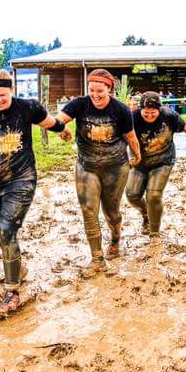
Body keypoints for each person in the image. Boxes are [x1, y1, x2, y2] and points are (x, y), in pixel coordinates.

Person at [0, 70, 70, 316]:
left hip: (22, 178)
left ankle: (11, 291)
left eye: (2, 95)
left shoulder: (27, 107)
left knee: (7, 229)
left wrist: (63, 129)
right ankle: (17, 267)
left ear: (11, 91)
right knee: (3, 235)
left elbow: (50, 122)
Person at [56, 69, 140, 272]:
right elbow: (59, 120)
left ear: (109, 89)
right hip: (87, 166)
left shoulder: (120, 110)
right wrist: (61, 129)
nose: (95, 95)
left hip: (116, 167)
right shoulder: (79, 104)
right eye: (91, 90)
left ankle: (115, 237)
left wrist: (137, 155)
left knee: (111, 212)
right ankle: (97, 258)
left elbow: (130, 136)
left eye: (100, 90)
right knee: (89, 211)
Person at [126, 92, 186, 236]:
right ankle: (146, 214)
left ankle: (154, 232)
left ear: (159, 110)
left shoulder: (169, 116)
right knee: (132, 195)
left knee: (153, 196)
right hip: (139, 162)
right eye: (146, 113)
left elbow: (185, 127)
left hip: (163, 161)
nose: (150, 116)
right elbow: (121, 138)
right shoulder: (132, 118)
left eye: (153, 113)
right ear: (141, 109)